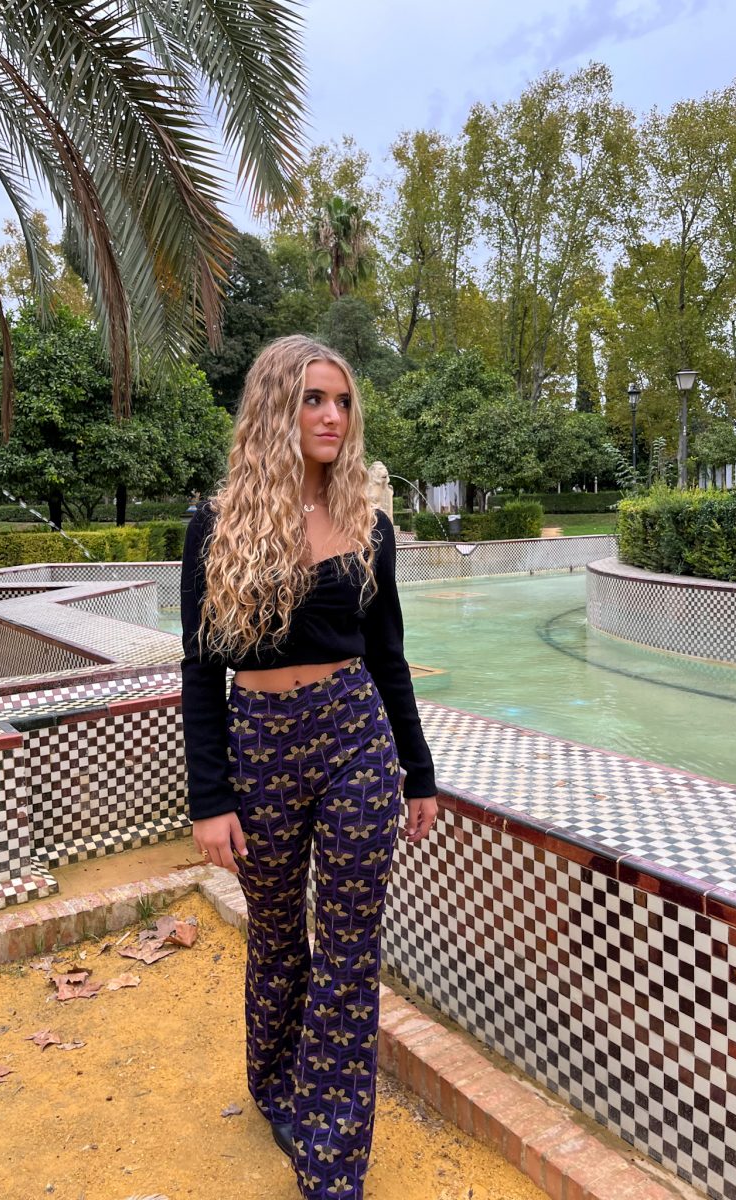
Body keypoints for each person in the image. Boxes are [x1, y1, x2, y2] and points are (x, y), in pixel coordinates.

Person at [180, 334, 438, 1199]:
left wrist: (418, 772)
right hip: (259, 742)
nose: (333, 416)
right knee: (280, 933)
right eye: (313, 399)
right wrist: (210, 797)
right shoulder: (215, 528)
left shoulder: (370, 526)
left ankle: (333, 1160)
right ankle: (274, 1081)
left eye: (343, 401)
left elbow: (389, 656)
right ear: (274, 407)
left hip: (354, 736)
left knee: (351, 949)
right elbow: (200, 671)